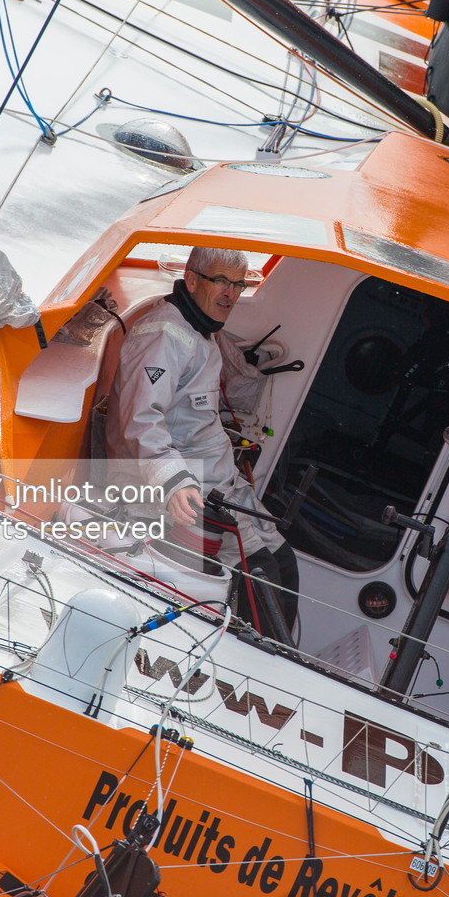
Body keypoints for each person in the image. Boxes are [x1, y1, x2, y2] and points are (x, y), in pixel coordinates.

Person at [104, 247, 299, 631]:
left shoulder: (202, 332)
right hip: (188, 494)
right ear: (191, 280)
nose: (231, 293)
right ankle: (261, 672)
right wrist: (174, 481)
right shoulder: (163, 334)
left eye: (239, 284)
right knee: (262, 578)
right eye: (221, 281)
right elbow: (139, 421)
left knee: (285, 563)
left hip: (224, 485)